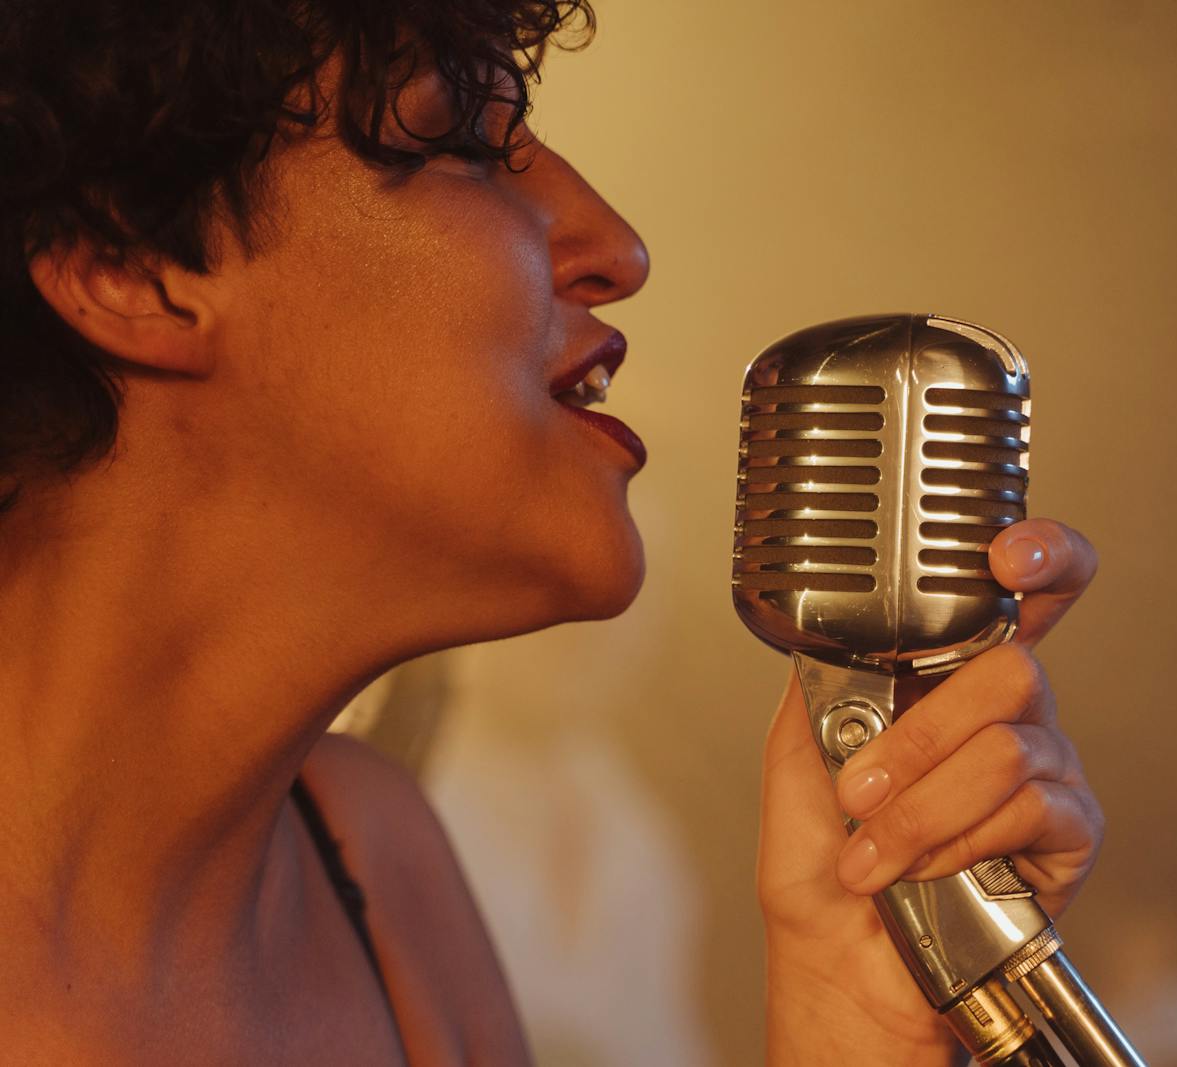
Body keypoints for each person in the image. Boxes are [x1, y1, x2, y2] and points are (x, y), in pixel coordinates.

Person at [0, 1, 1106, 1062]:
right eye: (461, 145)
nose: (619, 248)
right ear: (131, 269)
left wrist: (852, 1008)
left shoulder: (378, 866)